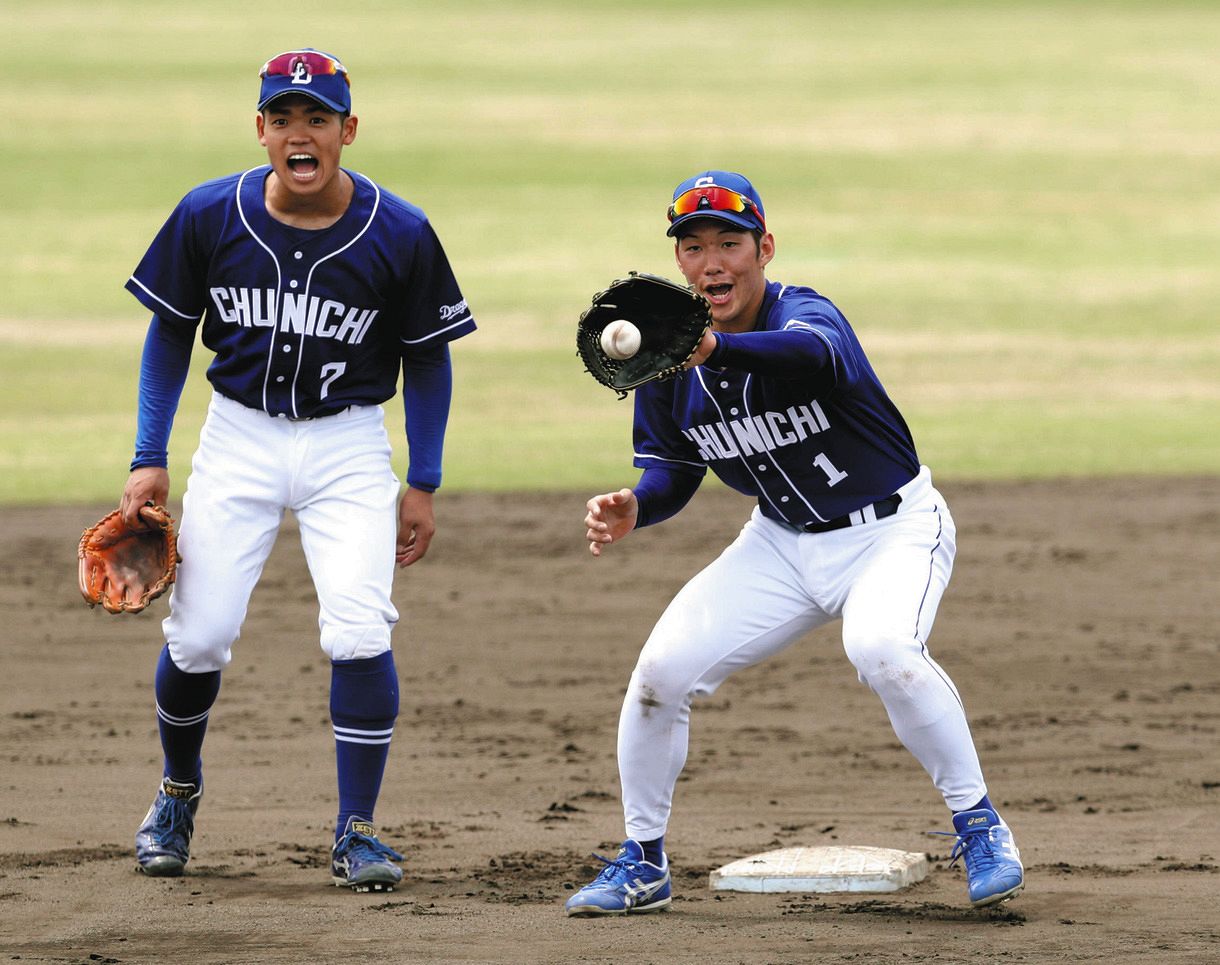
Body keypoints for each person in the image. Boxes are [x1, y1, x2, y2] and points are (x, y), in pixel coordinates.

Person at [565, 171, 1023, 916]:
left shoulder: (804, 312)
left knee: (882, 649)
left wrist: (712, 347)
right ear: (678, 261)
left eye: (729, 243)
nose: (712, 262)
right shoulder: (668, 354)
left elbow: (811, 357)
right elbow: (672, 465)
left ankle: (980, 824)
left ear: (764, 248)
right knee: (660, 673)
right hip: (779, 544)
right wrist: (636, 505)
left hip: (893, 530)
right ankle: (642, 859)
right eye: (693, 246)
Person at [121, 49, 476, 892]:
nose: (299, 133)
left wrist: (421, 478)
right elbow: (170, 333)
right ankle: (176, 791)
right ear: (260, 129)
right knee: (199, 633)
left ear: (348, 130)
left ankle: (357, 830)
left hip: (348, 446)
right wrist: (147, 458)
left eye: (317, 117)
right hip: (236, 438)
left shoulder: (401, 232)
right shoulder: (210, 213)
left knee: (358, 628)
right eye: (282, 117)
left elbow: (428, 359)